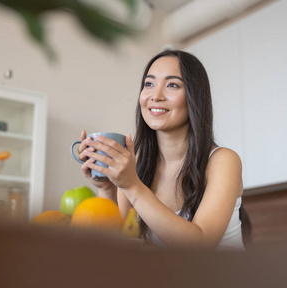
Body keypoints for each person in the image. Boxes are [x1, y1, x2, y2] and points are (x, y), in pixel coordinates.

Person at [78, 49, 250, 250]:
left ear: (194, 97)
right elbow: (115, 246)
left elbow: (201, 245)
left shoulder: (223, 161)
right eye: (149, 84)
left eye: (172, 85)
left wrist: (132, 186)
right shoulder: (135, 169)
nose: (155, 96)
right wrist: (106, 187)